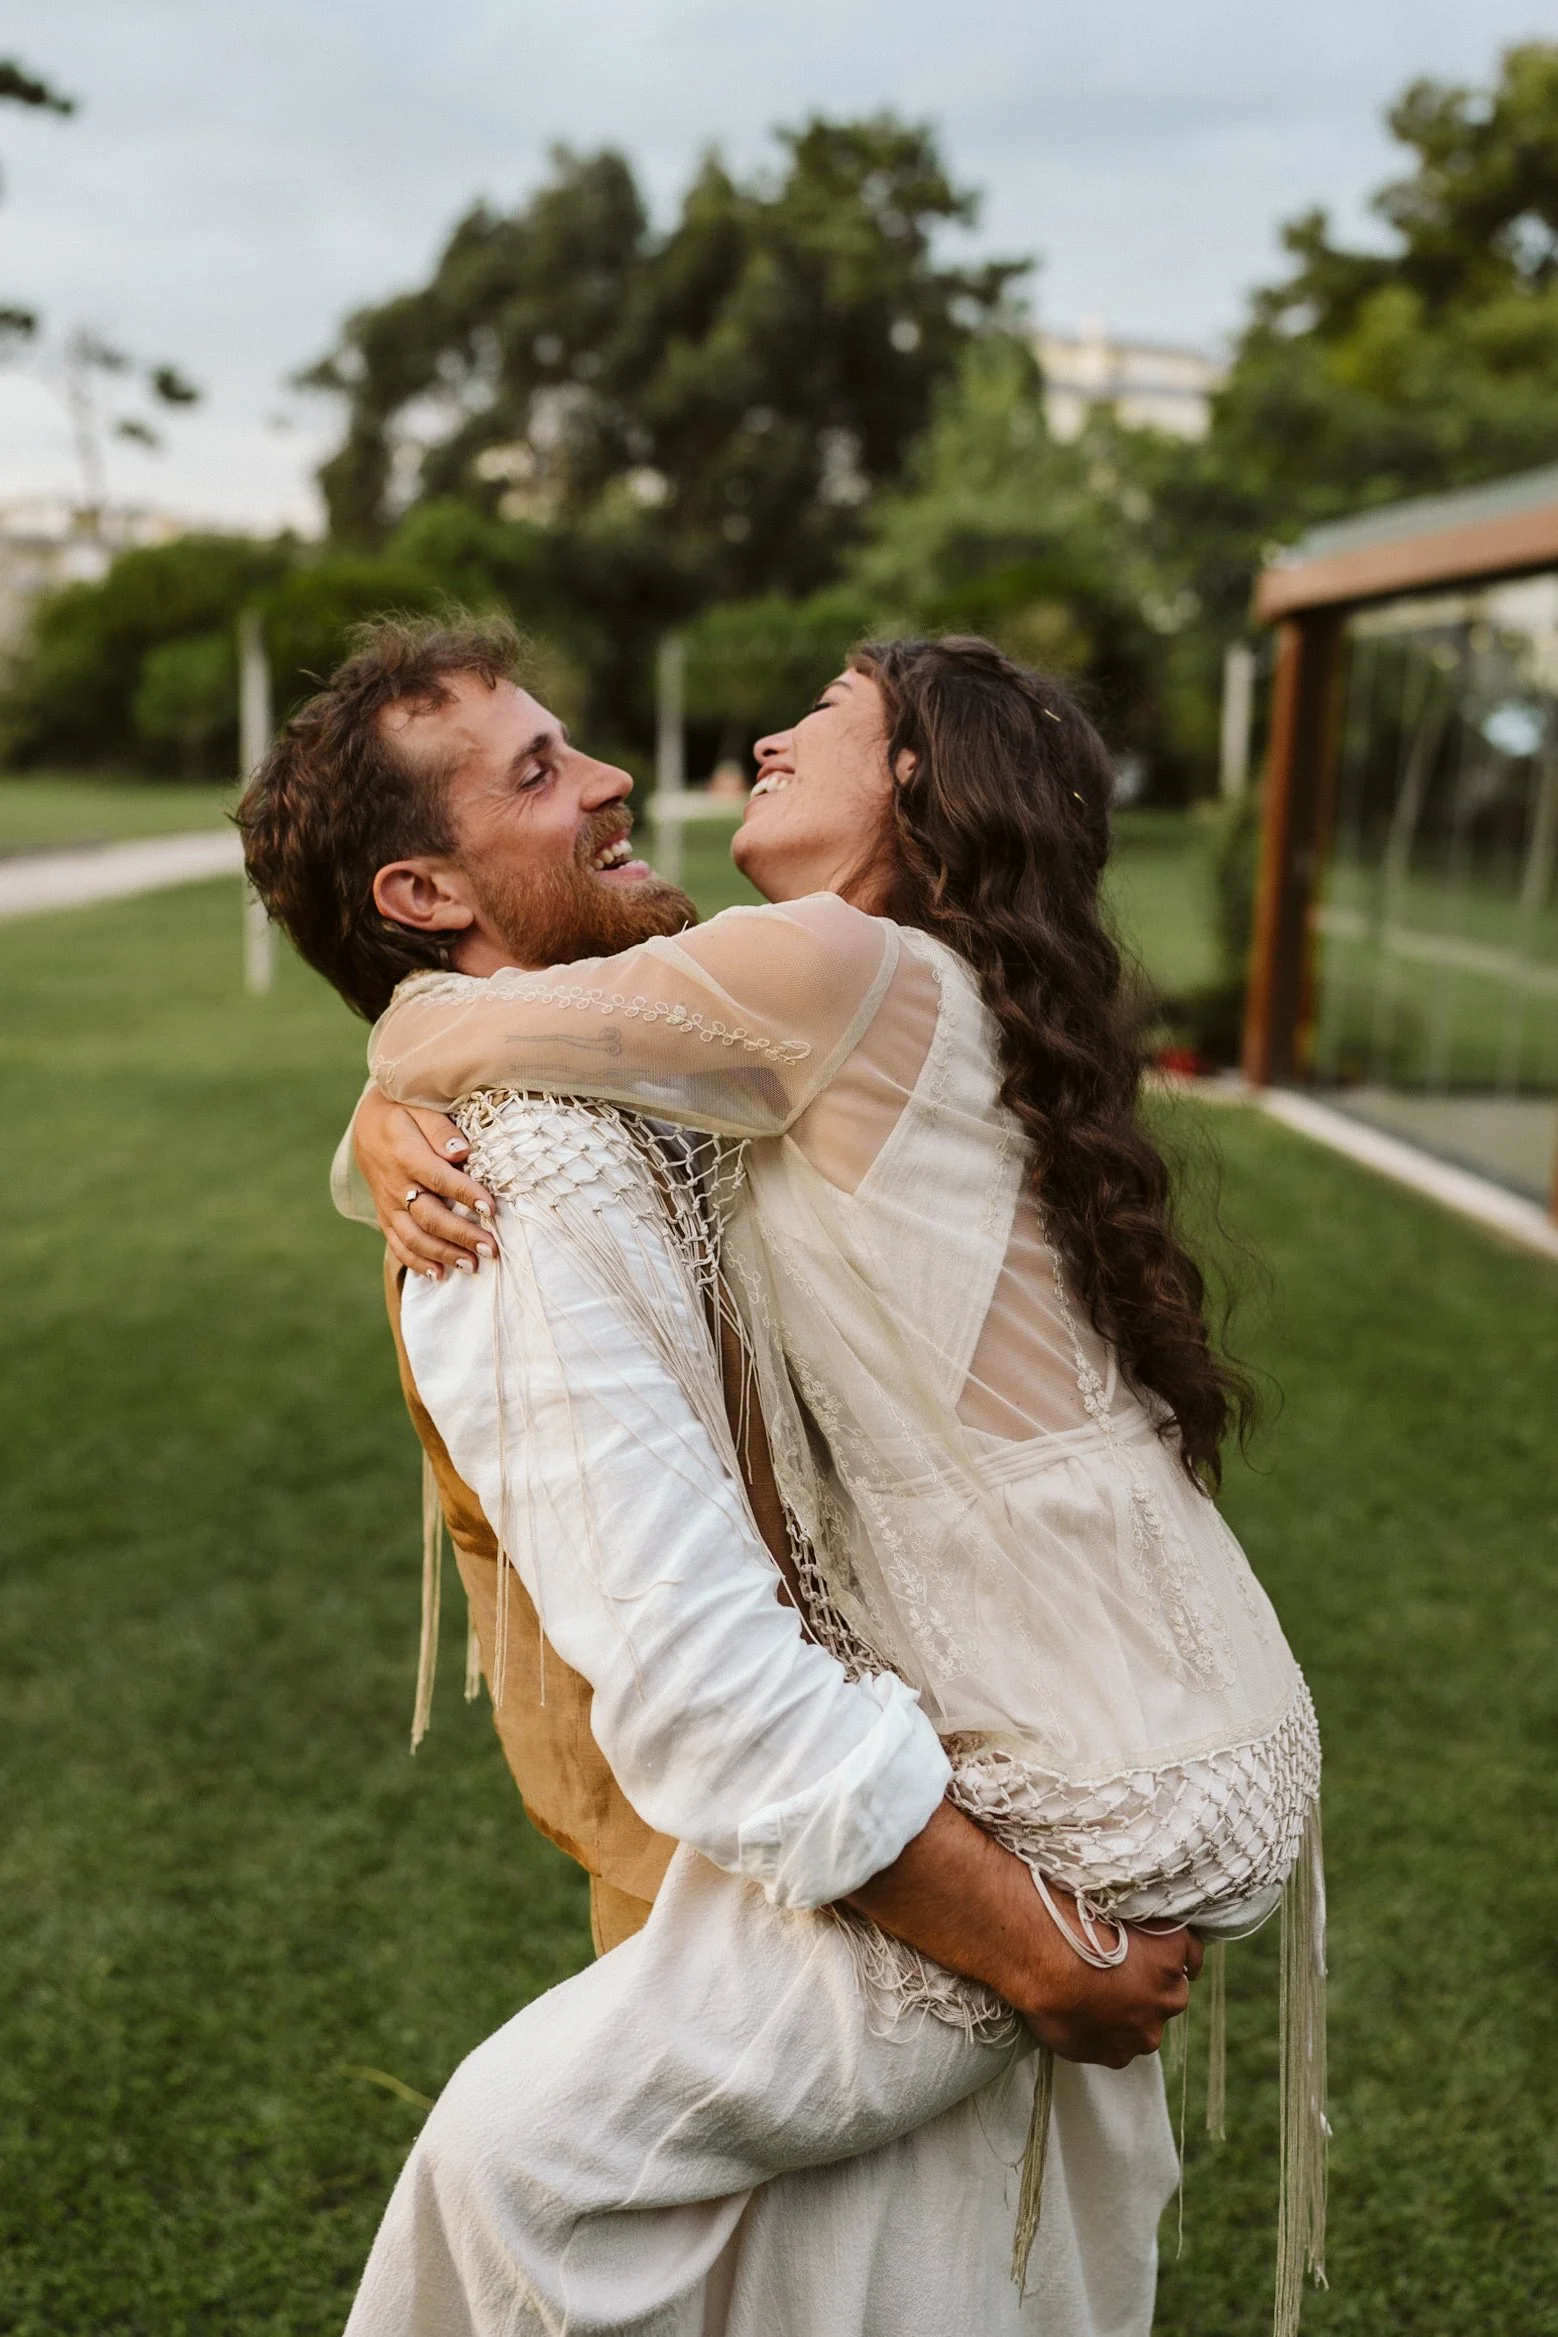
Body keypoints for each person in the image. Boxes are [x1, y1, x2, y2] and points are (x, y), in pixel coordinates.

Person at [352, 633, 1327, 2336]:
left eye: (821, 716)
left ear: (914, 783)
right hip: (1175, 1720)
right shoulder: (906, 999)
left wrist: (385, 1090)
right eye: (536, 766)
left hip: (1104, 1785)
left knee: (506, 2159)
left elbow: (467, 1026)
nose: (757, 734)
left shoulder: (822, 965)